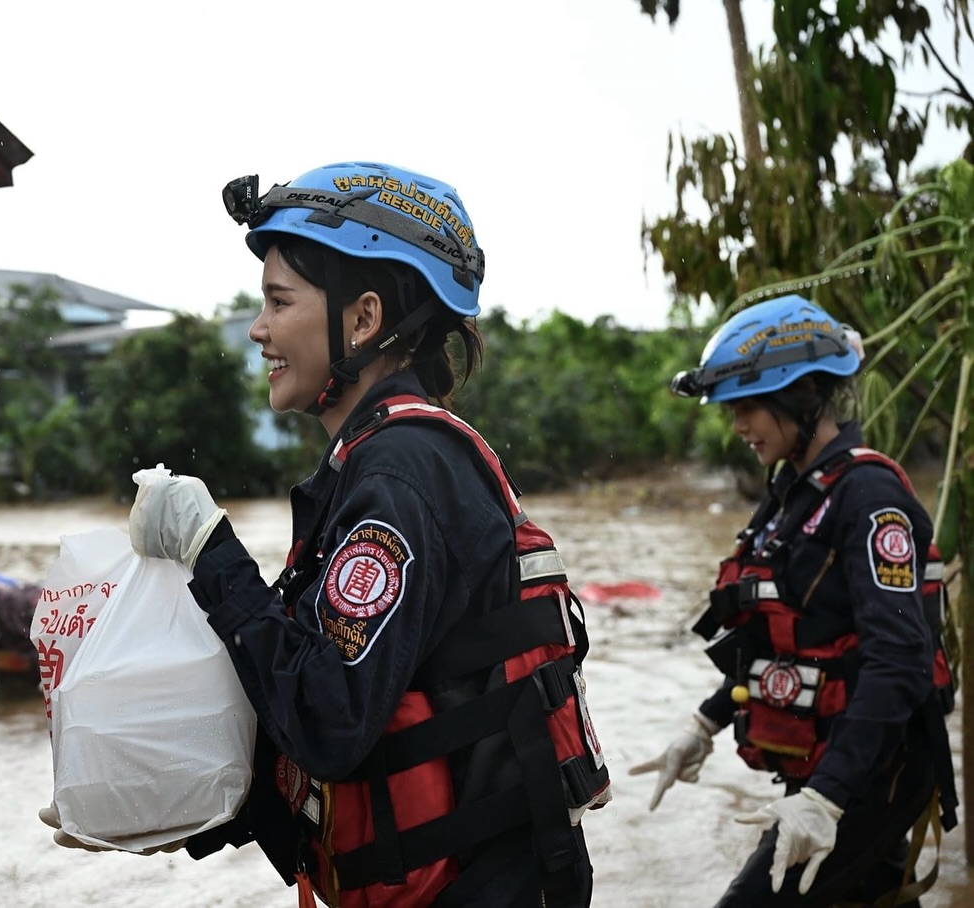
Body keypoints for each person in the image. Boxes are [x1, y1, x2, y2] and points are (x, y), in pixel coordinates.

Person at [123, 161, 612, 908]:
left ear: (362, 319)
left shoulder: (401, 474)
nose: (257, 329)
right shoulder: (376, 462)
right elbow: (325, 704)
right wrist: (173, 810)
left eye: (278, 301)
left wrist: (210, 550)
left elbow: (328, 718)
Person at [632, 294, 958, 906]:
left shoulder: (867, 497)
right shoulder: (793, 494)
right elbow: (780, 637)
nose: (737, 426)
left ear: (799, 397)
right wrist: (706, 721)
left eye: (748, 407)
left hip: (872, 770)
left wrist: (828, 797)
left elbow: (900, 661)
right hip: (827, 766)